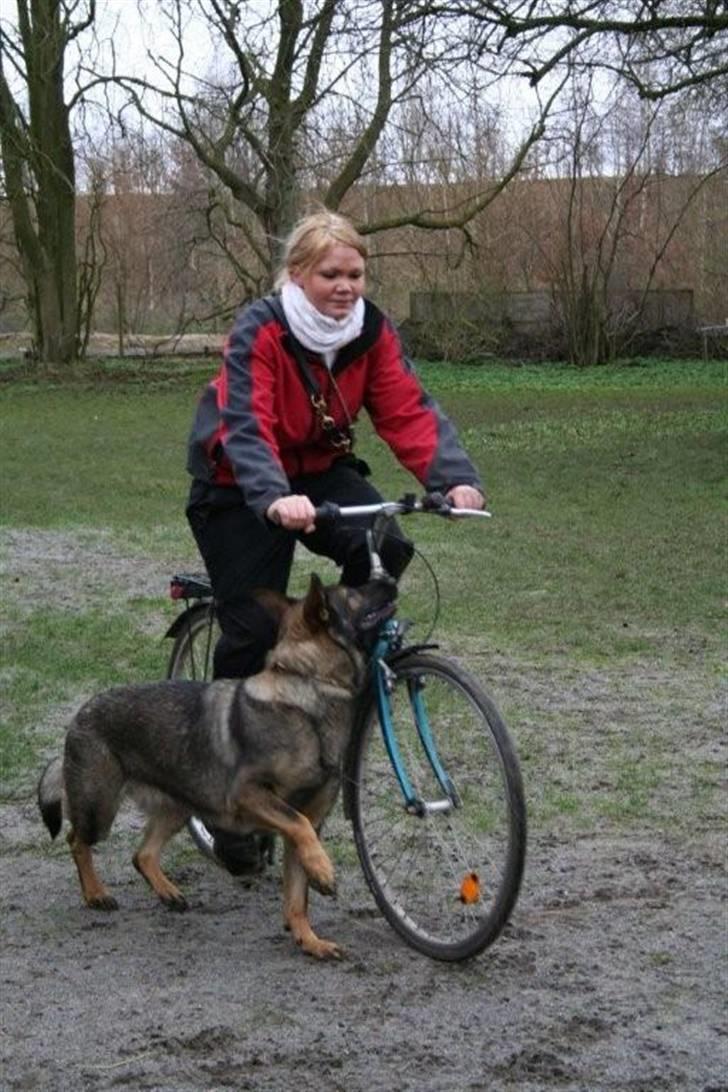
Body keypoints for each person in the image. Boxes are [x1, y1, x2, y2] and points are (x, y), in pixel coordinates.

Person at [185, 210, 485, 873]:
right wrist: (271, 495)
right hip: (239, 482)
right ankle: (230, 796)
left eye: (355, 273)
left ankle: (335, 668)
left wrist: (455, 481)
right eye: (330, 274)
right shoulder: (260, 328)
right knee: (252, 630)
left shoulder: (369, 331)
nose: (346, 286)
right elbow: (247, 421)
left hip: (318, 468)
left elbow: (406, 407)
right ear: (298, 274)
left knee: (388, 545)